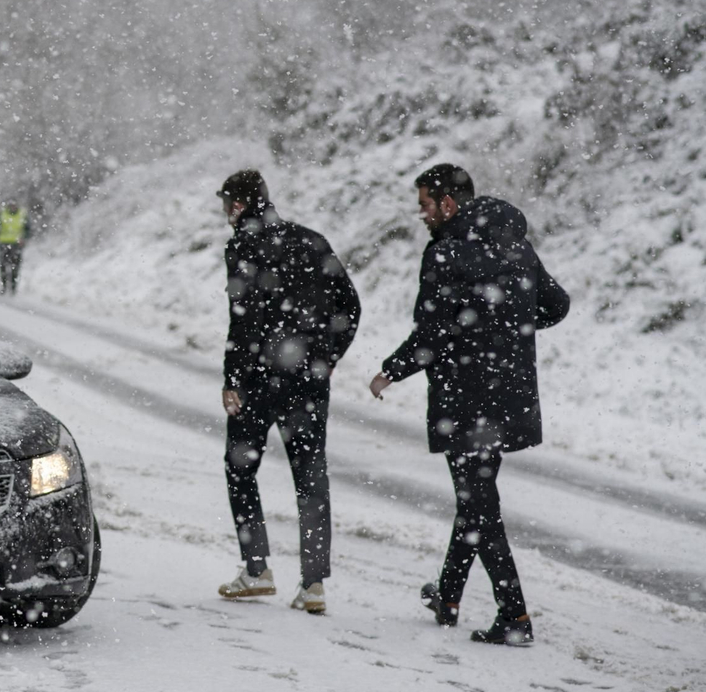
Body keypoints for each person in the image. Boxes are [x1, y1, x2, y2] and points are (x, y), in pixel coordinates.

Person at [370, 164, 568, 646]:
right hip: (510, 392)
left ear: (448, 204)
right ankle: (449, 596)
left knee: (480, 506)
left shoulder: (446, 253)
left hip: (465, 395)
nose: (421, 214)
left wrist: (391, 370)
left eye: (425, 205)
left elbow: (433, 331)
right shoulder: (515, 244)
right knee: (475, 499)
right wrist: (507, 327)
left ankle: (514, 616)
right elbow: (557, 305)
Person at [216, 170, 360, 615]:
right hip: (308, 380)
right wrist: (327, 356)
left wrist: (233, 379)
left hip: (260, 379)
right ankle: (313, 584)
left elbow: (245, 319)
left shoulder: (244, 246)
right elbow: (351, 306)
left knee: (240, 468)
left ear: (238, 206)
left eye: (225, 204)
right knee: (310, 475)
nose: (224, 213)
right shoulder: (312, 240)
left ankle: (257, 569)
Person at [0, 200, 31, 295]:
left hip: (16, 244)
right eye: (11, 205)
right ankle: (4, 286)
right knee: (3, 266)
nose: (13, 207)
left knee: (15, 267)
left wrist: (24, 238)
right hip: (3, 243)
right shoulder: (2, 214)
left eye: (14, 205)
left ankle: (13, 288)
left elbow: (28, 229)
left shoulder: (22, 214)